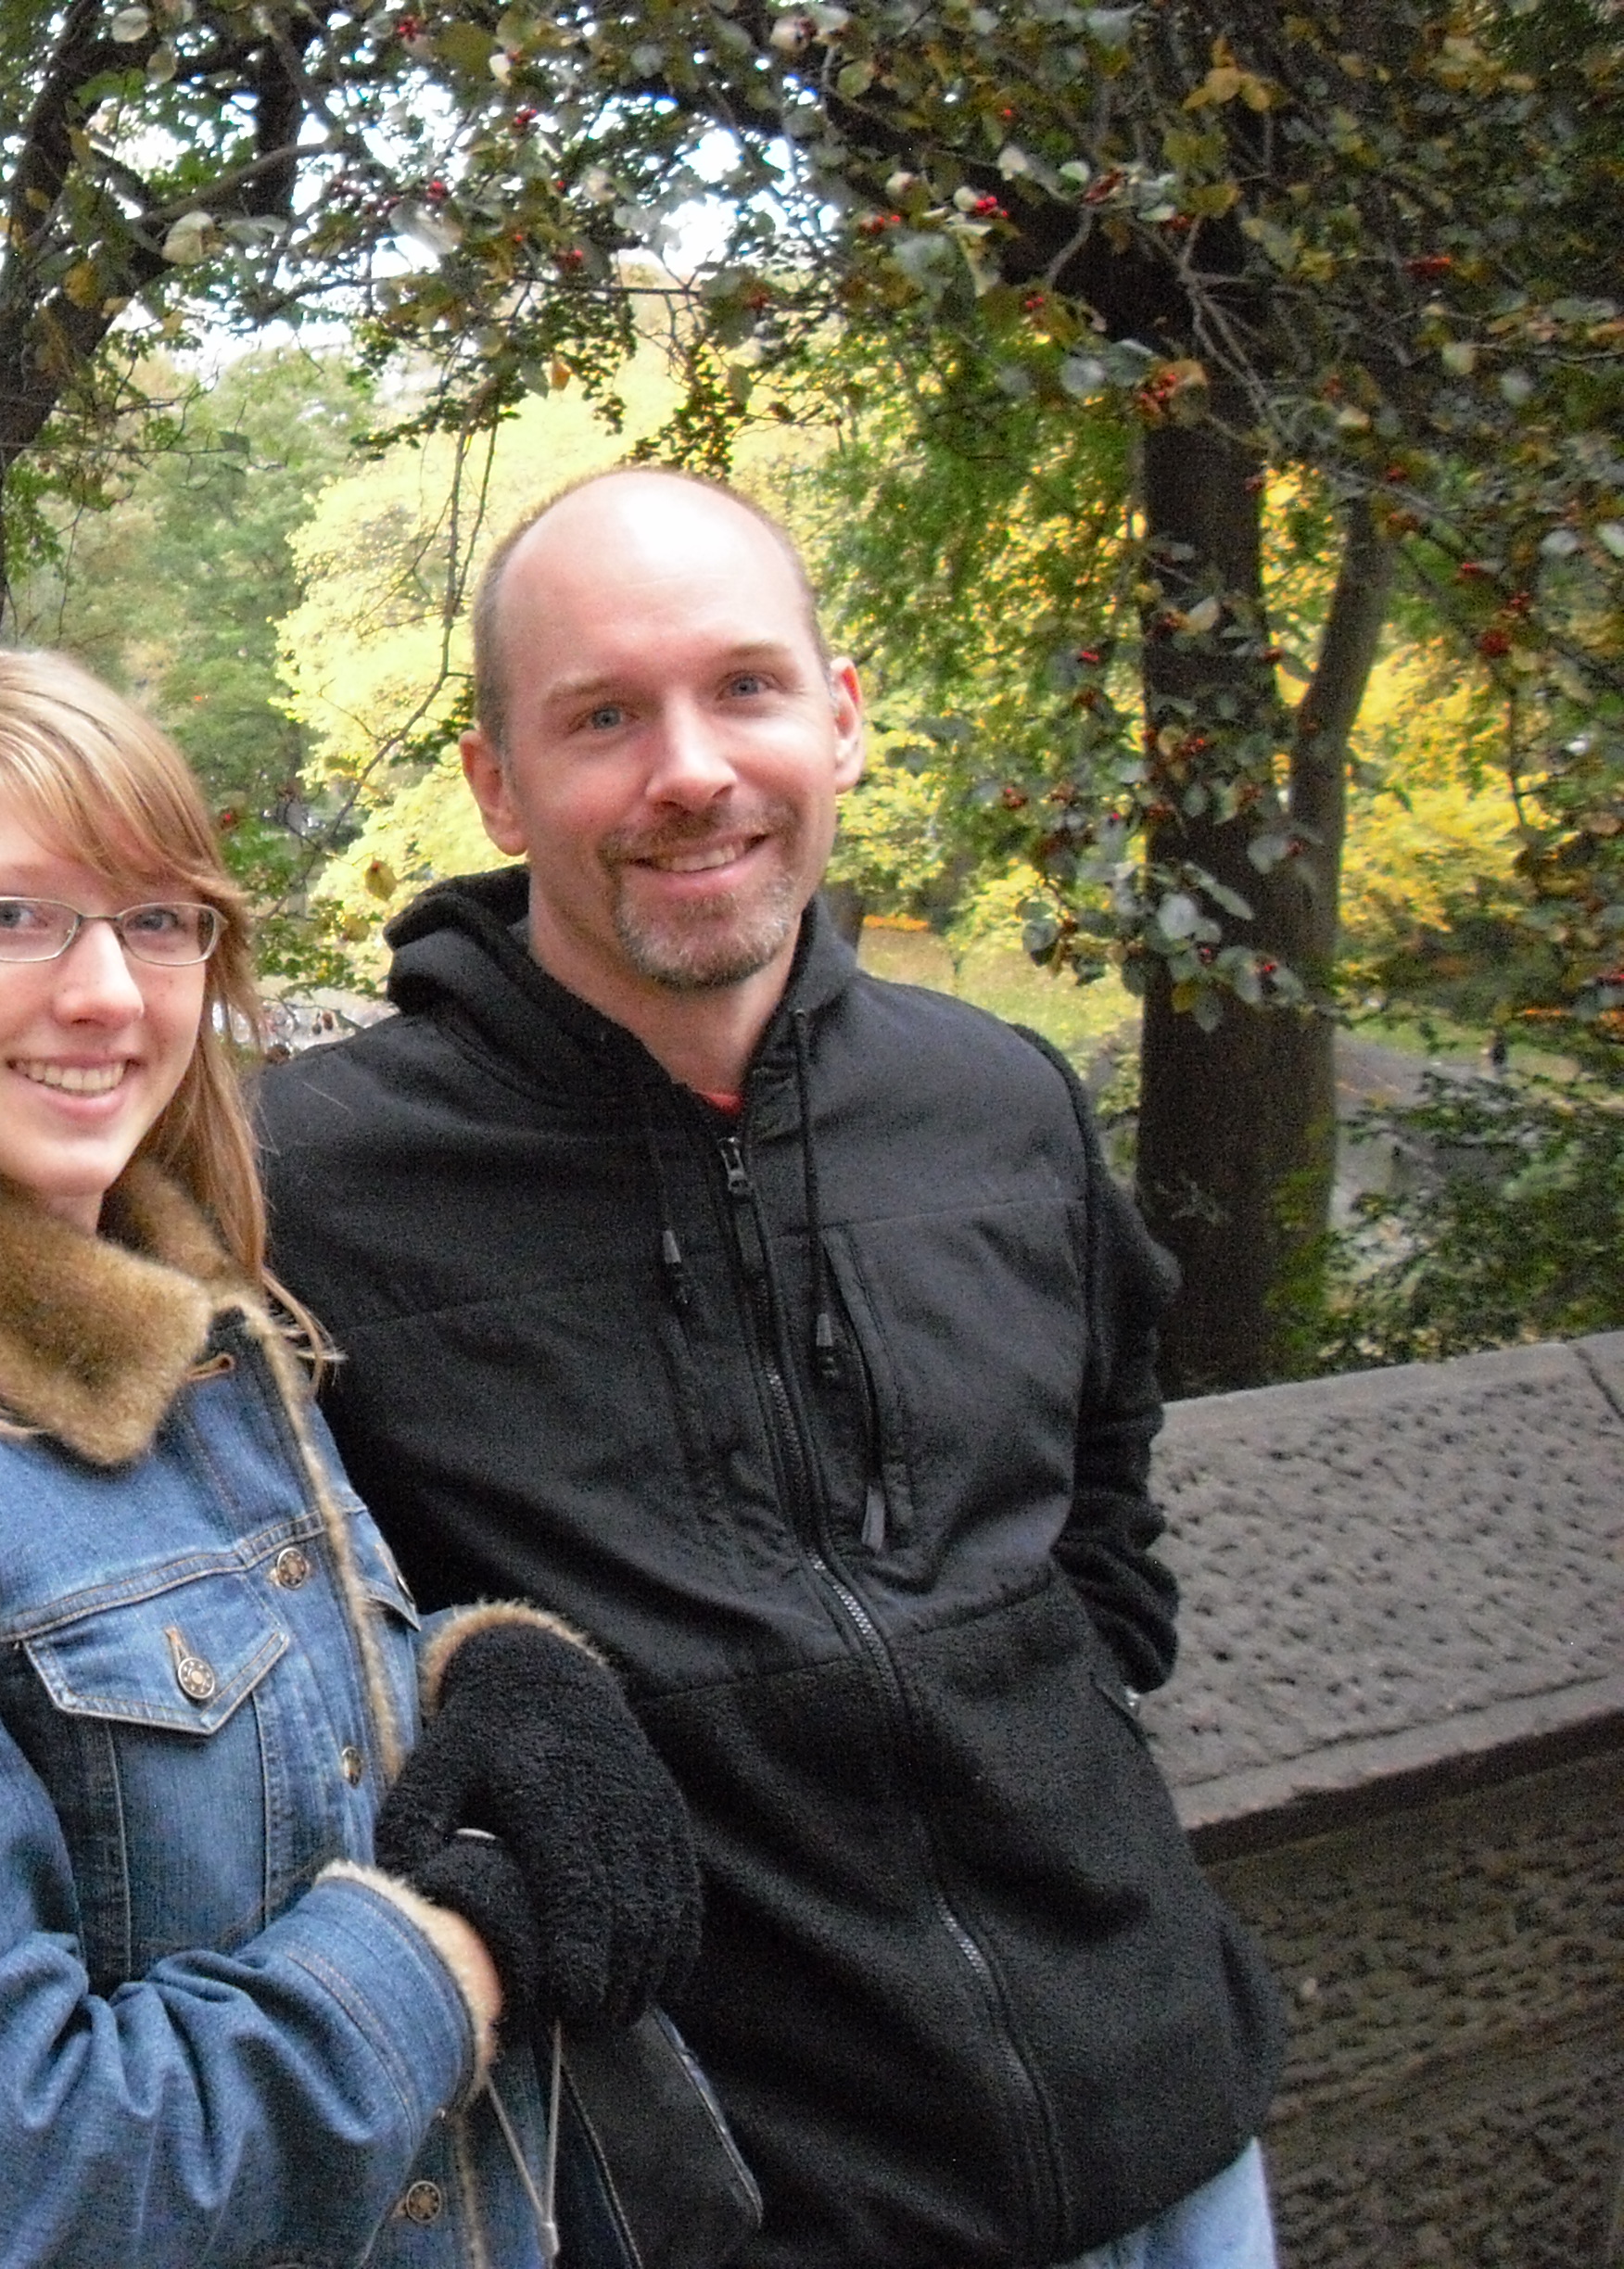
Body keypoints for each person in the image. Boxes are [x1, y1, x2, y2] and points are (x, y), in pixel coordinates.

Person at [255, 470, 1286, 2269]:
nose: (691, 770)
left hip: (1173, 2138)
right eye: (602, 717)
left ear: (841, 717)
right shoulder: (308, 1191)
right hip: (741, 2208)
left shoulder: (999, 1107)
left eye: (745, 687)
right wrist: (472, 1674)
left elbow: (1106, 1511)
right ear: (498, 782)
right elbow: (214, 1627)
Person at [0, 645, 702, 2269]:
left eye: (159, 921)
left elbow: (219, 1755)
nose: (108, 991)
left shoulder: (196, 1343)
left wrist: (491, 1675)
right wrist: (452, 1954)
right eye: (11, 916)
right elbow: (19, 2189)